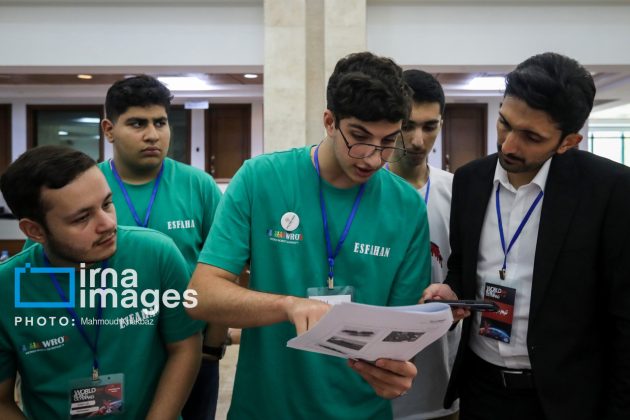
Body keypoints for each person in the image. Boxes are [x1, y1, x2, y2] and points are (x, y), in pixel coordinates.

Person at [187, 51, 432, 419]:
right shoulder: (261, 179)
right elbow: (198, 297)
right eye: (359, 138)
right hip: (267, 408)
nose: (371, 158)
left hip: (361, 410)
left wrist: (394, 372)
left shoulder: (407, 207)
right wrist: (288, 305)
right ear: (330, 122)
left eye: (387, 142)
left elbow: (398, 333)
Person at [423, 52, 630, 420]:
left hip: (566, 400)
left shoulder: (611, 192)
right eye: (505, 123)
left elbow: (624, 320)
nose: (508, 146)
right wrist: (451, 291)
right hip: (481, 390)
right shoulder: (470, 181)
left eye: (531, 137)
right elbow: (462, 266)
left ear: (568, 141)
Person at [0, 145, 202, 419]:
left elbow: (185, 347)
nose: (107, 224)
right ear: (34, 230)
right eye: (82, 218)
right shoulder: (8, 288)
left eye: (107, 203)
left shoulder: (156, 255)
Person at [99, 75, 224, 420]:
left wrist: (211, 346)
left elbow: (225, 268)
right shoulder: (90, 187)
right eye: (137, 123)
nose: (153, 134)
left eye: (160, 122)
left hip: (189, 347)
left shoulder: (198, 185)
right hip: (112, 350)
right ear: (109, 130)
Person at [390, 70, 460, 420]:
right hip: (372, 387)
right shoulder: (363, 194)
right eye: (407, 125)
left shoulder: (459, 192)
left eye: (429, 126)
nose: (418, 140)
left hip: (442, 388)